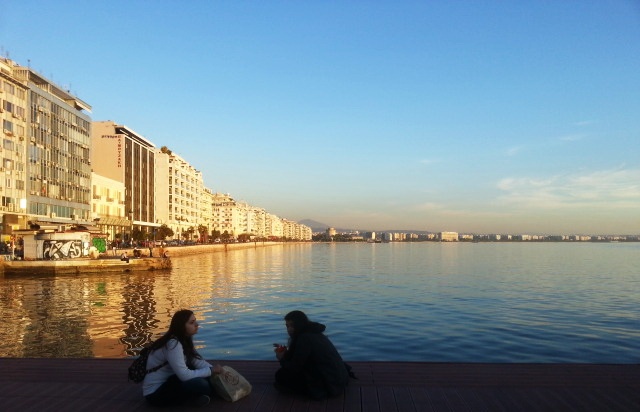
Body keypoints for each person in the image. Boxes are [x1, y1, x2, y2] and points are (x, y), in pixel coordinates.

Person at [143, 309, 223, 407]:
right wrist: (210, 371)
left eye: (195, 321)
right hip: (155, 393)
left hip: (170, 381)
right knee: (202, 384)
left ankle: (197, 397)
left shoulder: (183, 339)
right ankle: (195, 398)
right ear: (182, 326)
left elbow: (196, 361)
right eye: (192, 322)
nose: (197, 325)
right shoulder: (173, 344)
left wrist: (216, 372)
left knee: (202, 375)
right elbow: (184, 375)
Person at [274, 310, 352, 400]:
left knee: (280, 376)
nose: (289, 329)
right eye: (287, 326)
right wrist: (286, 352)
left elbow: (294, 368)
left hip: (330, 385)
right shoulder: (315, 333)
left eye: (292, 325)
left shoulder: (304, 339)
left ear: (299, 324)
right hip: (338, 378)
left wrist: (281, 358)